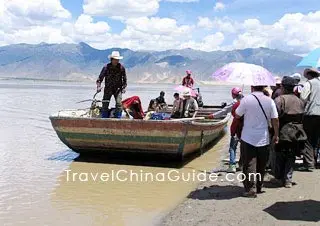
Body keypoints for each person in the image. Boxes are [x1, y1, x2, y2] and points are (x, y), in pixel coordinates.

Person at [236, 86, 279, 198]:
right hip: (264, 138)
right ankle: (259, 187)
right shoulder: (270, 100)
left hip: (248, 137)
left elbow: (237, 114)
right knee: (261, 164)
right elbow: (275, 119)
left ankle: (250, 189)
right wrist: (276, 134)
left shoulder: (246, 99)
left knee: (249, 163)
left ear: (252, 87)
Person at [274, 76, 311, 187]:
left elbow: (275, 117)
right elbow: (302, 116)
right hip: (297, 132)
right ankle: (288, 180)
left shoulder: (279, 100)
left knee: (280, 155)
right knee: (291, 155)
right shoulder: (299, 101)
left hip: (283, 130)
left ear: (283, 87)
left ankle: (279, 178)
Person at [96, 51, 127, 118]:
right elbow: (99, 79)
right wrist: (98, 87)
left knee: (119, 104)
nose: (116, 61)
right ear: (111, 59)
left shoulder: (121, 68)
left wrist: (124, 88)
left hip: (118, 89)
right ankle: (104, 119)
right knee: (105, 103)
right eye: (115, 59)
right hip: (108, 89)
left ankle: (118, 119)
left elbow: (124, 80)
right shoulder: (106, 67)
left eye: (117, 59)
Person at [301, 68, 320, 168]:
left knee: (307, 138)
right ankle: (315, 160)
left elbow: (303, 97)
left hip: (310, 114)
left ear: (308, 75)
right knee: (316, 139)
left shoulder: (309, 84)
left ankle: (309, 163)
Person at [227, 87, 244, 173]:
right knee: (243, 148)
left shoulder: (235, 105)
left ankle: (232, 166)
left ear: (234, 95)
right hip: (244, 130)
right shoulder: (247, 104)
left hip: (236, 129)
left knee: (232, 148)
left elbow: (234, 114)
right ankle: (241, 165)